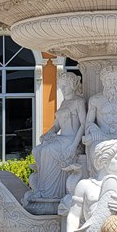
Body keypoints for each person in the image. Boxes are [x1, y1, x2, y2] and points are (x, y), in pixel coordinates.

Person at [29, 71, 86, 200]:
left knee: (48, 150)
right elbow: (57, 126)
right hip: (61, 138)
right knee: (37, 150)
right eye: (61, 85)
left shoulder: (79, 101)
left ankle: (49, 192)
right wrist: (48, 133)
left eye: (65, 85)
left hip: (71, 140)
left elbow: (84, 124)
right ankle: (42, 187)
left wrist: (74, 145)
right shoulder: (63, 103)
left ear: (72, 85)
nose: (63, 88)